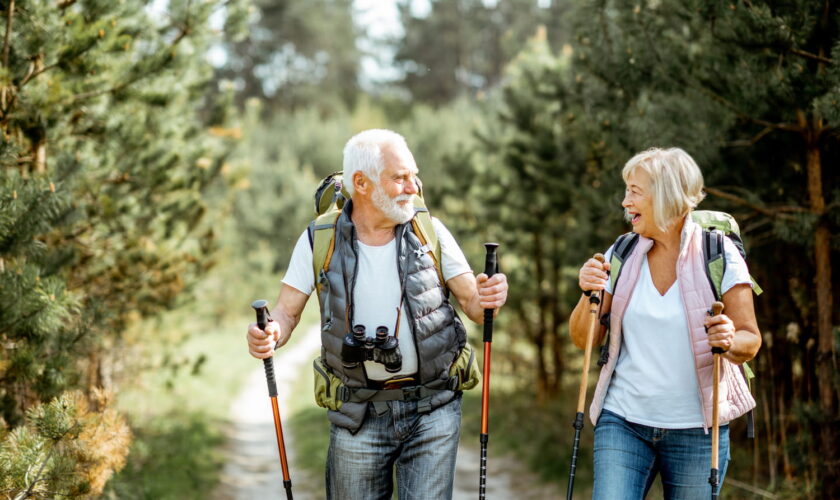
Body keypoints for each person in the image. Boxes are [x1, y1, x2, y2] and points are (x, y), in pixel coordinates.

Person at [246, 129, 508, 500]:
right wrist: (268, 333)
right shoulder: (320, 237)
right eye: (400, 177)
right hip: (357, 412)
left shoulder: (428, 229)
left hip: (433, 408)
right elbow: (286, 315)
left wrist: (492, 295)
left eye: (414, 176)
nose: (413, 187)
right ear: (361, 183)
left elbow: (474, 305)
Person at [570, 147, 760, 499]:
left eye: (634, 191)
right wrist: (588, 292)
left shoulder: (718, 252)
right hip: (623, 421)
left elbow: (750, 339)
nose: (625, 202)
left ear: (667, 195)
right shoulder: (622, 252)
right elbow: (584, 339)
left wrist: (730, 339)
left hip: (697, 430)